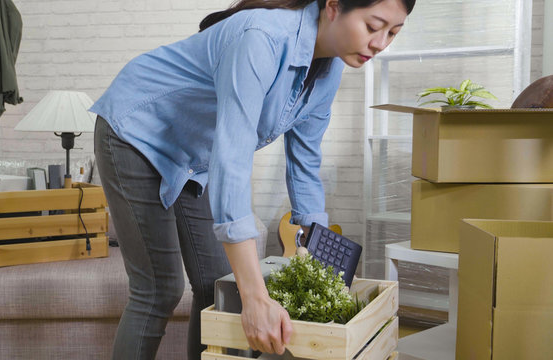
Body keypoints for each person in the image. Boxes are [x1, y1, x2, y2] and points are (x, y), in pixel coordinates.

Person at [90, 0, 415, 358]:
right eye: (373, 26)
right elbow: (232, 160)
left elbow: (305, 161)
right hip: (136, 131)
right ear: (334, 6)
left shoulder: (330, 69)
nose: (380, 43)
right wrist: (256, 297)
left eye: (393, 33)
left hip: (195, 152)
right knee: (159, 290)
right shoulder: (261, 37)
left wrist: (316, 247)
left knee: (216, 285)